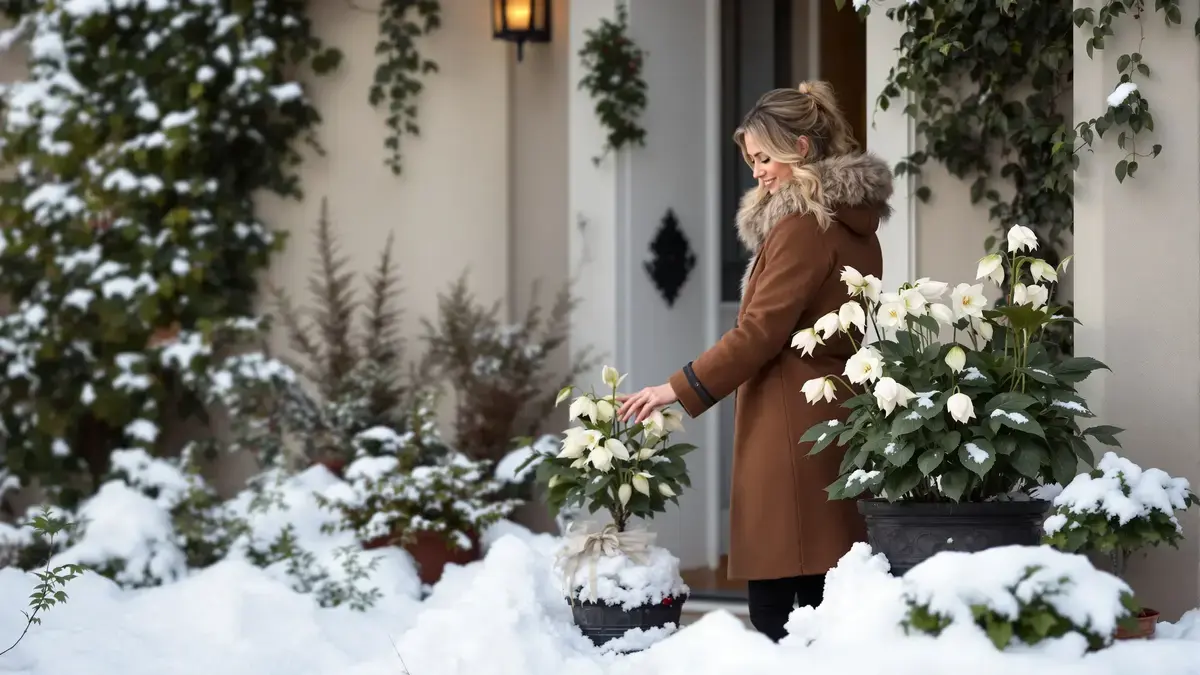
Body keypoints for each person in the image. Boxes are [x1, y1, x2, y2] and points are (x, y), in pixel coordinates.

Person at [615, 81, 894, 642]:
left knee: (777, 605)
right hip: (836, 407)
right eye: (751, 162)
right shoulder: (855, 227)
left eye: (765, 158)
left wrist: (679, 387)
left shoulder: (802, 228)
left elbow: (760, 331)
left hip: (789, 419)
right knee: (824, 593)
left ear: (802, 149)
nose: (758, 173)